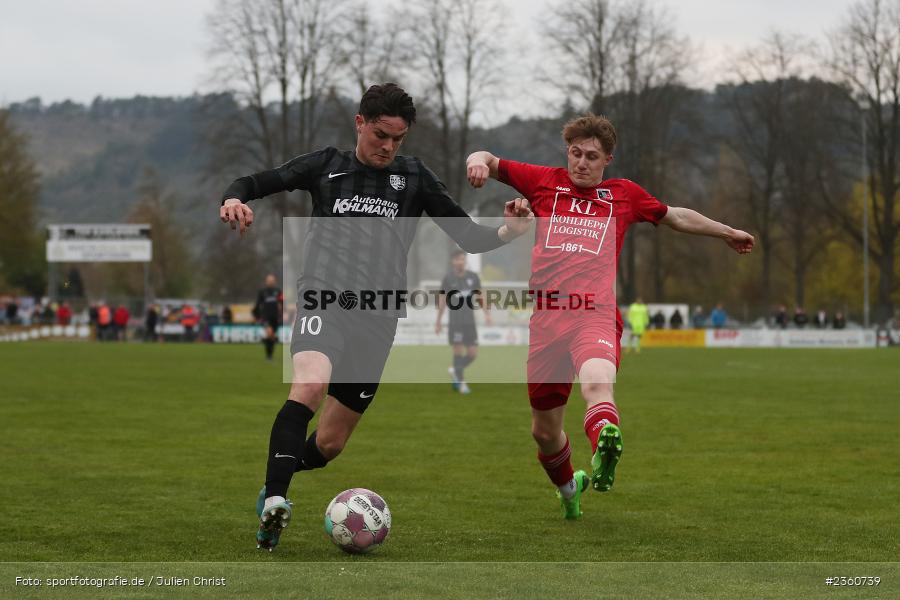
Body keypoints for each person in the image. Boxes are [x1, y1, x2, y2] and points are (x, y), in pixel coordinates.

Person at [218, 83, 533, 551]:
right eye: (380, 135)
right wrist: (233, 199)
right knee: (309, 385)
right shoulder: (326, 165)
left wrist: (509, 230)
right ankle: (276, 504)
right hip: (323, 299)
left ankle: (276, 477)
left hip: (378, 316)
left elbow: (468, 237)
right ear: (359, 123)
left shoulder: (414, 177)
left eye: (397, 139)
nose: (388, 146)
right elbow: (254, 182)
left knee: (329, 444)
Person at [465, 113, 754, 519]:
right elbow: (487, 158)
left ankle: (605, 440)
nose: (581, 163)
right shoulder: (543, 181)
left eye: (592, 156)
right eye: (575, 153)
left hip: (594, 313)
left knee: (597, 382)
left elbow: (675, 215)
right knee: (544, 432)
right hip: (547, 322)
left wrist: (726, 231)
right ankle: (570, 489)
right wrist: (476, 163)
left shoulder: (624, 195)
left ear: (607, 160)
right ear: (567, 152)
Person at [435, 249, 491, 394]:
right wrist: (438, 321)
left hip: (469, 321)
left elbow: (479, 296)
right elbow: (442, 300)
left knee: (472, 354)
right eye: (457, 259)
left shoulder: (473, 277)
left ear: (465, 261)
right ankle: (461, 384)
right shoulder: (448, 278)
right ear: (452, 261)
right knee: (458, 352)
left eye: (462, 259)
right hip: (455, 322)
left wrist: (487, 314)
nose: (460, 262)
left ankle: (455, 370)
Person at [254, 274, 283, 361]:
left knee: (272, 336)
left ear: (274, 281)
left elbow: (282, 303)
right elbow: (258, 305)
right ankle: (268, 356)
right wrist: (257, 316)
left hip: (275, 317)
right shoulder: (262, 292)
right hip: (265, 317)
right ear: (266, 282)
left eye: (272, 280)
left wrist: (282, 313)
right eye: (269, 280)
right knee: (270, 333)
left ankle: (269, 355)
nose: (270, 282)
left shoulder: (278, 291)